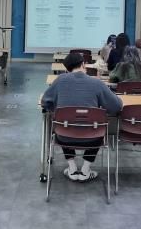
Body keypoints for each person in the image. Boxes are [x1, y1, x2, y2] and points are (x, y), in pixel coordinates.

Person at [42, 53, 122, 182]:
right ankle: (85, 169)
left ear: (67, 69)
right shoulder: (96, 83)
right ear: (83, 64)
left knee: (64, 123)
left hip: (64, 136)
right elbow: (116, 106)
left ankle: (72, 168)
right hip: (92, 137)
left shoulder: (59, 80)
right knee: (97, 127)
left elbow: (45, 102)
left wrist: (57, 110)